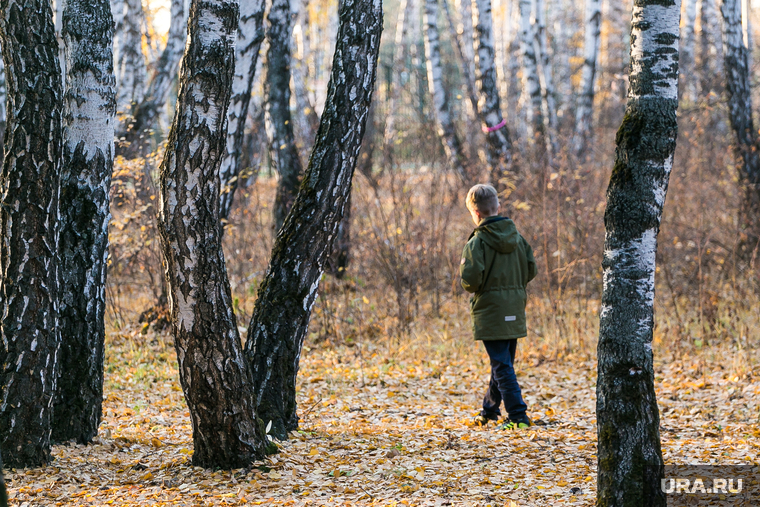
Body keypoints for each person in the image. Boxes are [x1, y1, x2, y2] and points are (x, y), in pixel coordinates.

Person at [460, 184, 537, 429]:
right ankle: (489, 411)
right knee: (502, 364)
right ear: (498, 207)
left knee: (501, 366)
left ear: (476, 213)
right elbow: (531, 270)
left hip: (491, 310)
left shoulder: (477, 242)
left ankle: (518, 417)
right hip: (514, 307)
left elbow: (470, 281)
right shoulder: (518, 238)